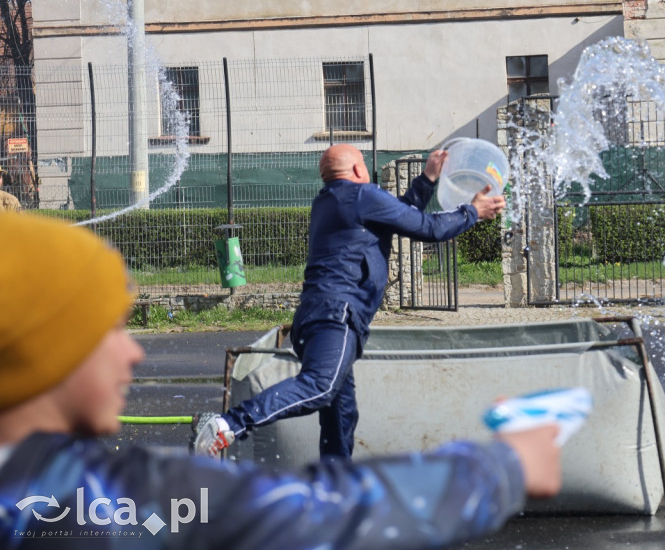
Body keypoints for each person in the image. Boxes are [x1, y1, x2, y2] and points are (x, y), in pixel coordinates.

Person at [0, 211, 563, 549]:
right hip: (334, 323)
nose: (133, 352)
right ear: (42, 350)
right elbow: (317, 517)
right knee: (323, 389)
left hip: (328, 322)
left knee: (338, 406)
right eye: (110, 329)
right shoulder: (104, 499)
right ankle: (228, 423)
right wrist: (504, 467)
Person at [194, 144, 506, 460]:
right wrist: (473, 211)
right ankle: (228, 424)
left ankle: (335, 486)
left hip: (316, 316)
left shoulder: (331, 200)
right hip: (336, 315)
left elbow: (401, 215)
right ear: (358, 170)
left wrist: (427, 178)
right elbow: (429, 228)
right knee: (320, 386)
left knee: (340, 414)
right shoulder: (361, 197)